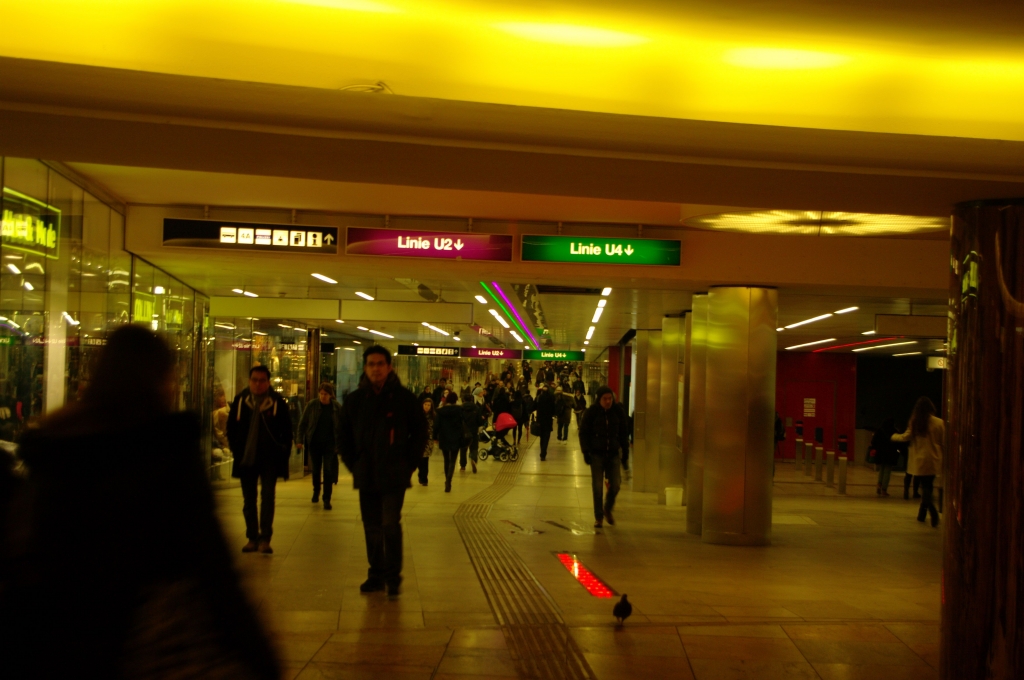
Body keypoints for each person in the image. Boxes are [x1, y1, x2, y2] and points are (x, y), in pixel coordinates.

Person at [2, 325, 280, 679]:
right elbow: (212, 565)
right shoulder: (165, 455)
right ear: (158, 379)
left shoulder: (55, 449)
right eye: (171, 375)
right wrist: (257, 653)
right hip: (145, 643)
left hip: (68, 643)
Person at [339, 345, 428, 596]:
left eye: (380, 364)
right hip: (366, 473)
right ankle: (376, 574)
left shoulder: (404, 399)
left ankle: (392, 575)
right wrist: (354, 464)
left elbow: (420, 433)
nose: (375, 369)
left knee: (389, 524)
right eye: (371, 364)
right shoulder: (355, 401)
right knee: (371, 527)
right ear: (365, 368)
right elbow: (343, 436)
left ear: (389, 367)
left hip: (394, 473)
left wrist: (409, 464)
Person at [227, 365, 294, 554]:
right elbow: (231, 428)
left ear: (268, 382)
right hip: (246, 458)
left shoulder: (277, 402)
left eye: (262, 380)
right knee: (249, 500)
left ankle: (265, 538)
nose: (258, 384)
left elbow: (287, 430)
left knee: (268, 498)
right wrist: (236, 450)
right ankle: (252, 537)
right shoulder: (241, 401)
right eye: (254, 380)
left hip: (269, 460)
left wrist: (283, 452)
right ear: (249, 381)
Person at [579, 386, 631, 528]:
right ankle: (599, 517)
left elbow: (623, 433)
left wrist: (625, 453)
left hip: (613, 454)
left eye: (610, 399)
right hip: (596, 454)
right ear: (599, 399)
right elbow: (583, 433)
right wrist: (586, 452)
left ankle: (607, 507)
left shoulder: (618, 412)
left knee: (616, 485)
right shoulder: (591, 412)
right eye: (605, 399)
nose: (608, 401)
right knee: (597, 487)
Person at [892, 397, 944, 527]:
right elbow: (943, 441)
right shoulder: (939, 422)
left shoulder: (915, 421)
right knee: (928, 486)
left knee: (925, 487)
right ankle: (922, 514)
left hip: (920, 460)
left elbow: (906, 437)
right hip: (934, 459)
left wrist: (894, 436)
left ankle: (931, 511)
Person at [297, 382, 343, 510]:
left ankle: (326, 498)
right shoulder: (312, 405)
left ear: (330, 395)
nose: (323, 396)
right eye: (321, 394)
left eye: (325, 394)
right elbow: (302, 423)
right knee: (316, 470)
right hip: (315, 443)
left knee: (328, 471)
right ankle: (316, 490)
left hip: (330, 444)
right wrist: (299, 440)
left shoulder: (336, 407)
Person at [435, 392, 463, 492]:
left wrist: (435, 437)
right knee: (453, 460)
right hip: (456, 437)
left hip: (444, 437)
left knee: (446, 459)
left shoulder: (440, 411)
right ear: (456, 399)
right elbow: (462, 423)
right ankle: (448, 481)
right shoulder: (460, 410)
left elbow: (437, 425)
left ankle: (447, 479)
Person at [870, 418, 900, 496]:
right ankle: (884, 489)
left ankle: (879, 484)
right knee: (887, 471)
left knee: (882, 470)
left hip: (880, 453)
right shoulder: (894, 431)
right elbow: (898, 443)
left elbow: (873, 441)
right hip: (890, 454)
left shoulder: (880, 430)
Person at [460, 392, 484, 473]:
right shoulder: (476, 408)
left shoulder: (460, 408)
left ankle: (463, 466)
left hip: (463, 432)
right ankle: (473, 459)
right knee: (474, 448)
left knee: (463, 449)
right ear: (472, 399)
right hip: (473, 431)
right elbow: (480, 421)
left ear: (463, 400)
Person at [534, 383, 556, 461]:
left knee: (542, 437)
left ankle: (542, 452)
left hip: (540, 421)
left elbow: (535, 407)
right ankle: (543, 452)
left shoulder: (539, 397)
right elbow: (554, 409)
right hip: (548, 421)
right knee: (546, 437)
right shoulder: (551, 398)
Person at [417, 396, 436, 486]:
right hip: (418, 440)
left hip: (428, 441)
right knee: (419, 460)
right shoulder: (418, 415)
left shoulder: (434, 416)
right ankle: (421, 474)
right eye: (425, 404)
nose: (427, 406)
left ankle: (424, 479)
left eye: (429, 405)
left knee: (425, 460)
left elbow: (436, 428)